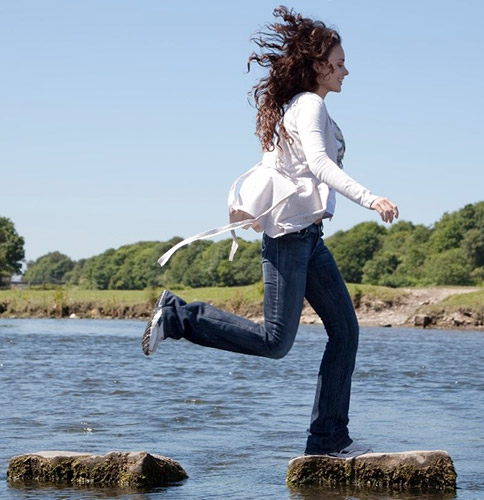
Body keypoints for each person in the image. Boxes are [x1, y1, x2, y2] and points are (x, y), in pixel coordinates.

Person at [144, 5, 399, 458]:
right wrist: (371, 197)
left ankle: (327, 440)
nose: (346, 71)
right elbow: (319, 165)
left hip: (309, 238)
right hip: (287, 239)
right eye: (339, 64)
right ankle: (178, 316)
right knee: (275, 342)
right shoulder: (310, 105)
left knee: (346, 332)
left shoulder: (305, 106)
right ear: (319, 66)